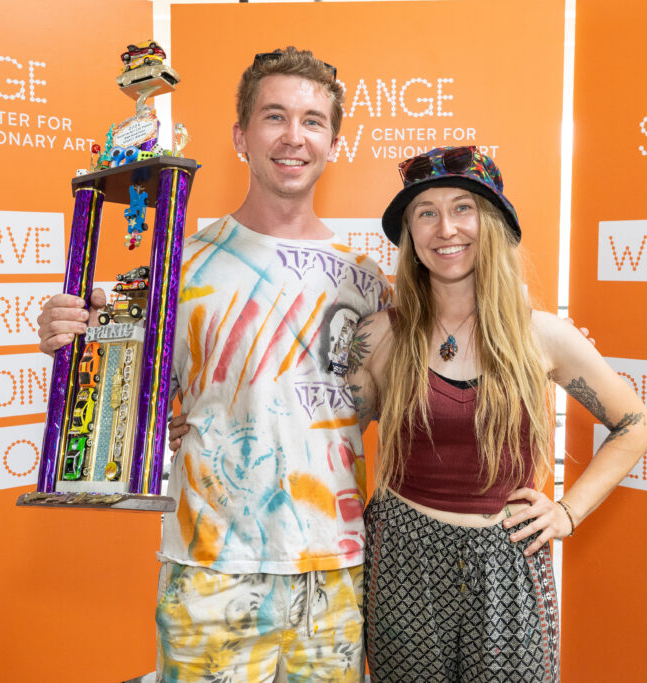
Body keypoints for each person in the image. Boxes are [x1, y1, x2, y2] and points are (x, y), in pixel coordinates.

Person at [37, 47, 390, 682]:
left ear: (334, 142)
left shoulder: (366, 280)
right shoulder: (180, 265)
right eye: (274, 116)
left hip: (334, 571)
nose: (293, 136)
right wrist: (76, 337)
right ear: (240, 136)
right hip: (209, 567)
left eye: (312, 121)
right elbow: (122, 394)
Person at [345, 146, 647, 682]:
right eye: (427, 212)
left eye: (463, 208)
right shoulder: (381, 337)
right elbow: (321, 433)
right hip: (402, 561)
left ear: (492, 224)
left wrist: (568, 511)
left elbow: (634, 424)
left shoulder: (544, 336)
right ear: (411, 236)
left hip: (508, 563)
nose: (446, 228)